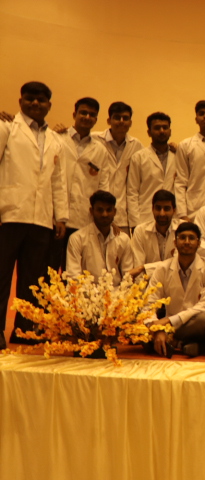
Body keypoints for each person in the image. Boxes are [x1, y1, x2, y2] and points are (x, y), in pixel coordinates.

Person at [0, 81, 69, 348]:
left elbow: (58, 181)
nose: (35, 103)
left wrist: (60, 217)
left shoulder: (55, 139)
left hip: (41, 218)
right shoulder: (7, 127)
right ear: (21, 102)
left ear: (49, 105)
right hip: (9, 214)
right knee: (2, 275)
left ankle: (24, 329)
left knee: (32, 280)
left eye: (41, 100)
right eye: (30, 98)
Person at [54, 97, 112, 271]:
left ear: (96, 119)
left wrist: (102, 218)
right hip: (55, 219)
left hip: (83, 221)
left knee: (75, 272)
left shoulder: (100, 150)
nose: (87, 117)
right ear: (74, 114)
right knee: (50, 269)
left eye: (92, 115)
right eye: (83, 113)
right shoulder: (58, 138)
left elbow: (103, 188)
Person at [145, 222, 205, 358]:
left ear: (199, 243)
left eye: (192, 238)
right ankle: (184, 344)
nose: (187, 242)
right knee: (136, 325)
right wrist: (158, 329)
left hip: (193, 324)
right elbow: (149, 304)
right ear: (175, 242)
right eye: (182, 237)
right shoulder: (162, 268)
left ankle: (172, 341)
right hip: (167, 325)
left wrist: (169, 321)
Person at [129, 189, 205, 279]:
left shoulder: (183, 228)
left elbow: (177, 263)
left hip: (178, 281)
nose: (162, 213)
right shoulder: (140, 231)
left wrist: (145, 268)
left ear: (174, 210)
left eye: (167, 209)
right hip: (148, 284)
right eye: (158, 208)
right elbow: (137, 269)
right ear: (152, 209)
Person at [93, 101, 144, 234]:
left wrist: (173, 148)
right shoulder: (94, 139)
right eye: (117, 117)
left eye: (125, 118)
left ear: (130, 122)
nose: (121, 121)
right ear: (109, 120)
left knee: (122, 247)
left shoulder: (137, 145)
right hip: (96, 215)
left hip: (122, 216)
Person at [66, 190, 133, 286]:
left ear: (114, 212)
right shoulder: (77, 238)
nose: (104, 214)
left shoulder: (123, 239)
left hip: (118, 292)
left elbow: (128, 275)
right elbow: (73, 277)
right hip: (87, 293)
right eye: (100, 210)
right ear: (91, 211)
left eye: (109, 210)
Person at [127, 112, 175, 228]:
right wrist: (135, 223)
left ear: (170, 131)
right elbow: (132, 192)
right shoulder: (138, 157)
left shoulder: (178, 155)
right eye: (157, 128)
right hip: (145, 217)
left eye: (165, 127)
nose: (162, 131)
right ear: (149, 132)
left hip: (173, 218)